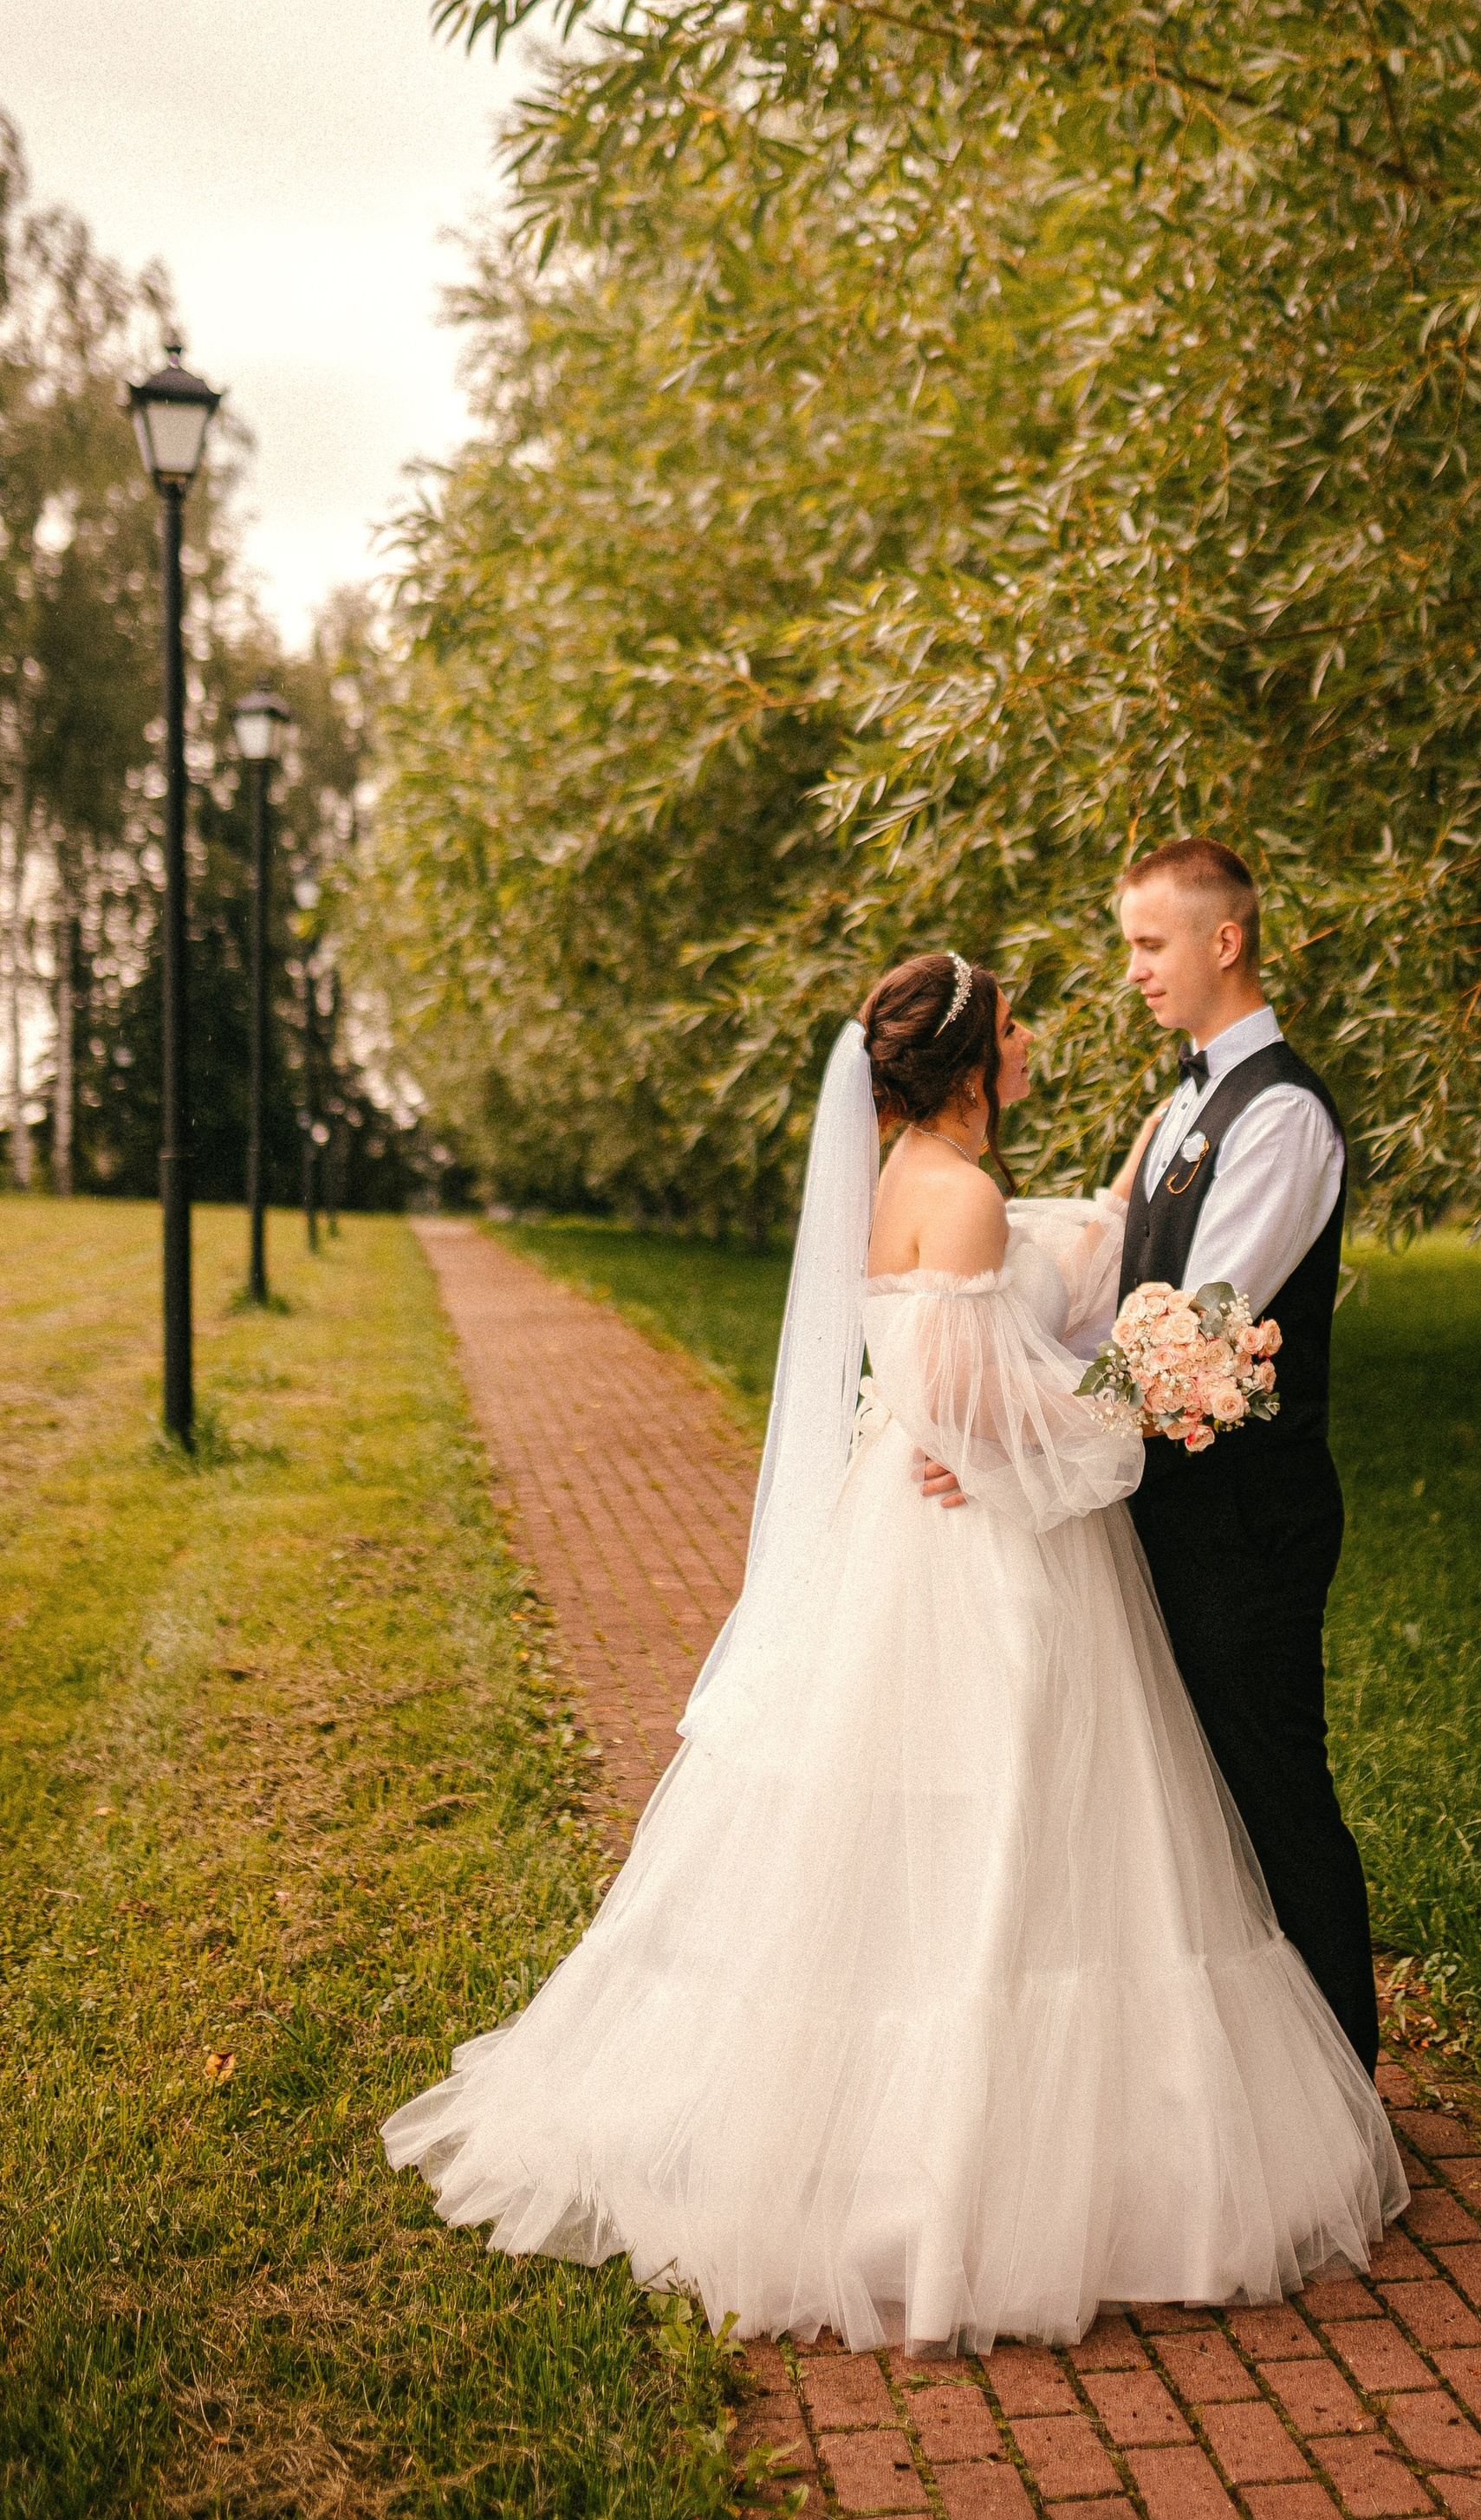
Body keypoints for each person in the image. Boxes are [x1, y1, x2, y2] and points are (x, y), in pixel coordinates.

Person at [383, 951, 1404, 2355]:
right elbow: (978, 1396)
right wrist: (1125, 1416)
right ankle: (985, 2155)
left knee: (954, 1817)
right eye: (1021, 1020)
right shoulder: (965, 1197)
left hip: (919, 1524)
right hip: (986, 1556)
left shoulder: (918, 1180)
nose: (1040, 1034)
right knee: (1024, 1802)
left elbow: (1008, 1311)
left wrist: (1091, 1289)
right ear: (982, 1057)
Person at [919, 841, 1377, 2069]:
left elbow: (1202, 1329)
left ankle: (1341, 2075)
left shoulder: (1279, 1116)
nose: (1132, 970)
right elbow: (1119, 1298)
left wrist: (1027, 1443)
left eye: (1149, 944)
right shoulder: (1182, 1103)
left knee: (1273, 1793)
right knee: (1192, 1806)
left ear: (1225, 942)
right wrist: (998, 1411)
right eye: (1132, 944)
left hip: (1247, 1520)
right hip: (1157, 1505)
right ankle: (1246, 2075)